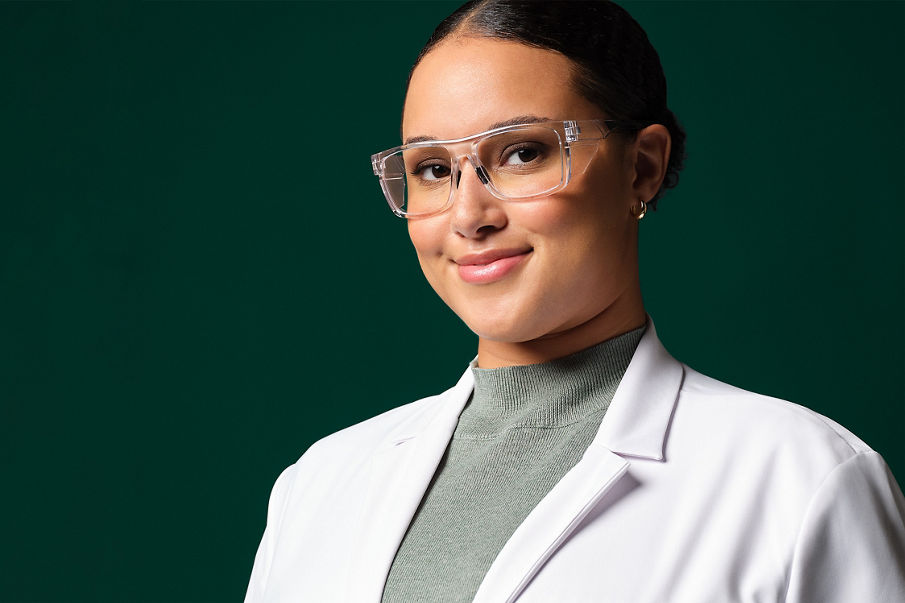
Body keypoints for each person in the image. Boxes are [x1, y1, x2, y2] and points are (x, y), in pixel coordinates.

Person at [244, 1, 905, 601]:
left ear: (640, 166)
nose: (468, 215)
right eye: (433, 170)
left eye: (522, 153)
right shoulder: (321, 484)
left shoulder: (800, 480)